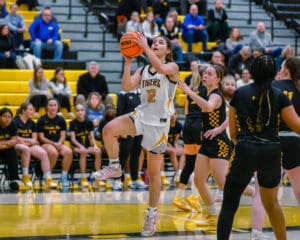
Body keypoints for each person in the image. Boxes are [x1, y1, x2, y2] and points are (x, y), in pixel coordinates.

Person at [93, 34, 178, 237]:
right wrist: (128, 62)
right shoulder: (143, 70)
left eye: (160, 43)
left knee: (154, 174)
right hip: (141, 115)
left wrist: (144, 48)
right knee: (108, 130)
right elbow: (126, 86)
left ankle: (152, 213)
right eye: (154, 41)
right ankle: (115, 166)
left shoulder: (172, 68)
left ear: (168, 50)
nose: (156, 44)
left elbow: (161, 68)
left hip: (158, 124)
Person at [216, 55, 300, 240]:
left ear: (252, 71)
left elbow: (233, 132)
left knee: (229, 205)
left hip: (245, 149)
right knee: (272, 204)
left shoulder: (239, 93)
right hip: (271, 152)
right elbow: (297, 126)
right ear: (273, 73)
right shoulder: (280, 95)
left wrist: (243, 145)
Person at [178, 64, 254, 225]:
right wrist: (219, 127)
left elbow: (208, 106)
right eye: (204, 73)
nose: (205, 76)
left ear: (217, 79)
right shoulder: (209, 93)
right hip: (207, 143)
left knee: (225, 185)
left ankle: (257, 193)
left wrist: (189, 92)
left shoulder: (216, 96)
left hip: (219, 144)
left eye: (209, 74)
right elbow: (230, 115)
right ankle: (212, 214)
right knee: (199, 181)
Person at [173, 63, 207, 213]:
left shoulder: (191, 89)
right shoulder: (207, 89)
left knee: (190, 164)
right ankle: (195, 196)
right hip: (200, 124)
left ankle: (179, 197)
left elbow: (186, 110)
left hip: (187, 125)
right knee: (204, 165)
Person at [272, 57, 300, 212]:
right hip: (294, 140)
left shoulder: (273, 85)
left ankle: (257, 231)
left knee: (267, 190)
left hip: (272, 140)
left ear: (285, 70)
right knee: (298, 185)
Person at [14, 102, 57, 189]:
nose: (32, 112)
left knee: (44, 153)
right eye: (30, 110)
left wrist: (27, 141)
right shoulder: (15, 122)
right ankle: (25, 175)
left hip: (28, 145)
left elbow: (34, 140)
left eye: (32, 110)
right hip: (17, 146)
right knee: (25, 149)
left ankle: (47, 178)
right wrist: (27, 141)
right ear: (23, 111)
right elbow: (15, 138)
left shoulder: (33, 123)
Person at [37, 98, 73, 188]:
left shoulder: (61, 120)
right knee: (53, 152)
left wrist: (60, 143)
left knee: (69, 152)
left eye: (54, 105)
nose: (53, 107)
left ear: (58, 107)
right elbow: (41, 137)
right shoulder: (41, 120)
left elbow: (63, 135)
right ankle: (48, 177)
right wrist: (54, 144)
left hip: (58, 143)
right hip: (45, 143)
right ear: (47, 107)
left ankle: (63, 176)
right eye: (50, 105)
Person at [117, 88, 147, 189]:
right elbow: (120, 112)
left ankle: (135, 179)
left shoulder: (141, 93)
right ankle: (116, 180)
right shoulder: (123, 94)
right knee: (123, 155)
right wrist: (121, 130)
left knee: (136, 154)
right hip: (127, 128)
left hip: (139, 128)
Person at [69, 103, 103, 188]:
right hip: (76, 147)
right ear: (75, 112)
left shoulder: (89, 122)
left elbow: (92, 136)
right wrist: (80, 146)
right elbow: (73, 139)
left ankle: (97, 177)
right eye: (78, 110)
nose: (80, 112)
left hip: (87, 146)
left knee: (98, 151)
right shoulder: (72, 123)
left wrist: (94, 145)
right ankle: (83, 177)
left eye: (82, 110)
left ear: (84, 111)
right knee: (83, 151)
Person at [0, 107, 20, 191]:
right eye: (4, 116)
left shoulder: (12, 124)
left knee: (12, 152)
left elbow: (14, 141)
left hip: (5, 149)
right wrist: (8, 143)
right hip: (4, 147)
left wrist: (3, 144)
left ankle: (13, 180)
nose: (7, 119)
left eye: (9, 117)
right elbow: (10, 142)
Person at [165, 110, 185, 184]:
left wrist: (176, 147)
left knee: (183, 152)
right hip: (164, 145)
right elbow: (165, 141)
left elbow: (175, 142)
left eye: (175, 114)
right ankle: (177, 174)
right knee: (173, 152)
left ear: (177, 116)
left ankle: (179, 173)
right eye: (171, 114)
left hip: (171, 145)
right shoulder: (165, 125)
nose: (173, 116)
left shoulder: (178, 125)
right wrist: (173, 148)